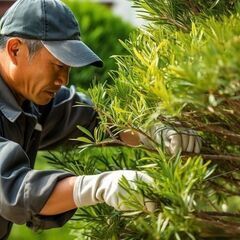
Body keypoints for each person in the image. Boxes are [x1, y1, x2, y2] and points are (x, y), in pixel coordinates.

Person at [0, 0, 201, 239]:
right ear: (15, 49)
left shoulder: (31, 97)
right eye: (57, 65)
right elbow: (12, 189)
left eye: (68, 68)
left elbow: (96, 119)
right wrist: (100, 187)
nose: (63, 79)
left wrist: (154, 131)